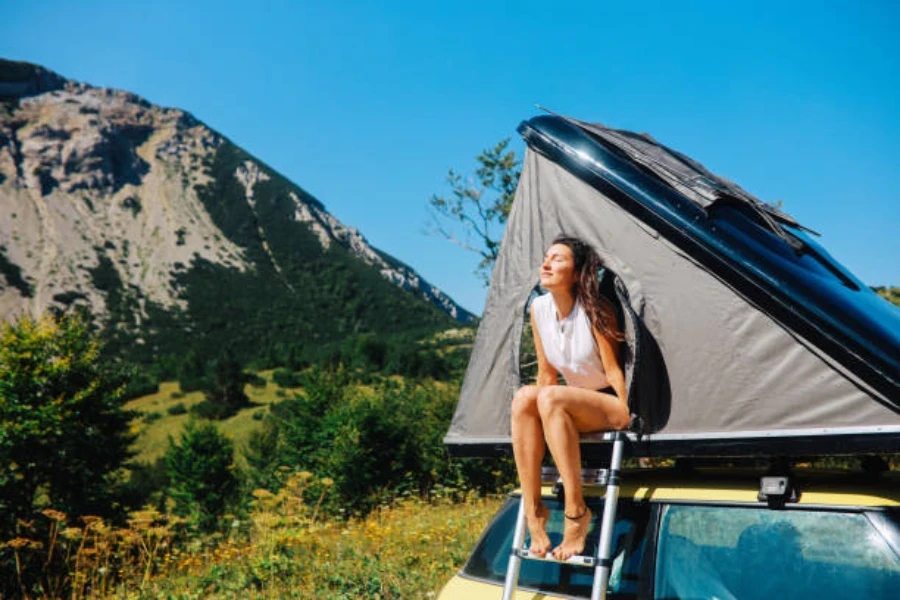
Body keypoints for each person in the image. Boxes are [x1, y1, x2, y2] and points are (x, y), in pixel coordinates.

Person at [511, 235, 631, 561]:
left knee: (550, 397)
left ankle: (576, 512)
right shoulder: (539, 310)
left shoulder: (596, 310)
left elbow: (613, 370)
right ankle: (534, 509)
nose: (546, 264)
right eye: (546, 257)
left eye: (558, 259)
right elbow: (546, 373)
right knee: (524, 397)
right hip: (570, 402)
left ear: (577, 273)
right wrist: (536, 406)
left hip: (608, 402)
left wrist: (630, 415)